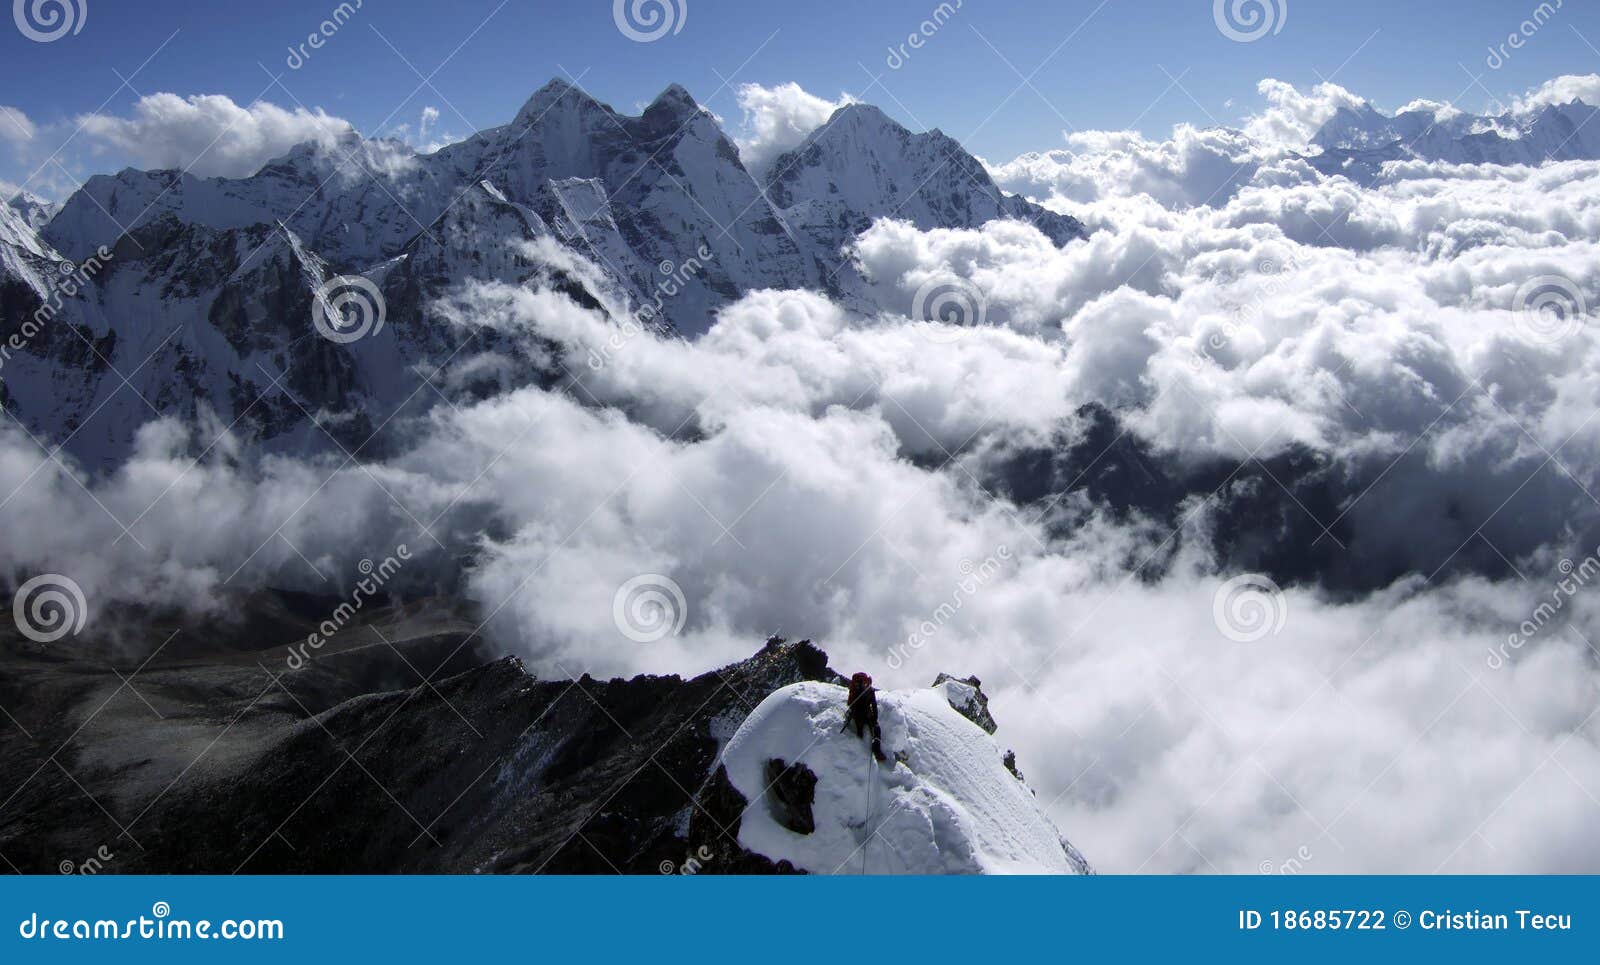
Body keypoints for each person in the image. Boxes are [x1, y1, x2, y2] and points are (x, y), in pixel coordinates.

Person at [843, 672, 886, 761]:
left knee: (860, 728)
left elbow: (850, 703)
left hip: (857, 714)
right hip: (865, 713)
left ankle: (859, 752)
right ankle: (876, 750)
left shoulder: (856, 689)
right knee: (876, 729)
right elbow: (874, 705)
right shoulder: (869, 691)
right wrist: (875, 718)